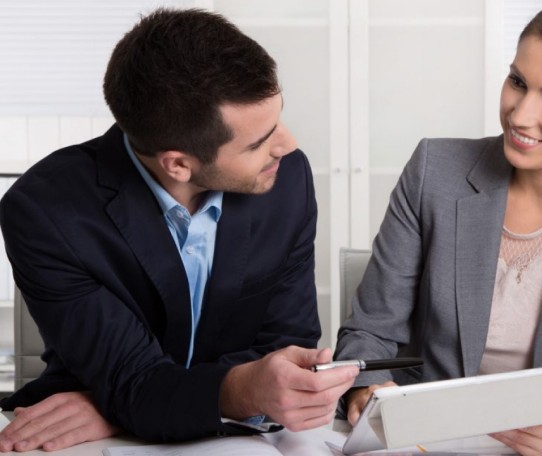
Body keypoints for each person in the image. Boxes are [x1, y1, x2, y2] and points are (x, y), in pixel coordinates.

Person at [0, 8, 358, 453]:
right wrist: (210, 391)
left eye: (277, 120)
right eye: (257, 141)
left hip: (231, 434)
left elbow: (289, 346)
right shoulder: (47, 211)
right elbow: (133, 378)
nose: (288, 144)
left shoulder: (286, 178)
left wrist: (125, 402)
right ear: (178, 164)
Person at [335, 1, 542, 455]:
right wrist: (367, 393)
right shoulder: (435, 171)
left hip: (533, 444)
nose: (520, 114)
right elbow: (371, 334)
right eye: (517, 82)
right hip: (420, 437)